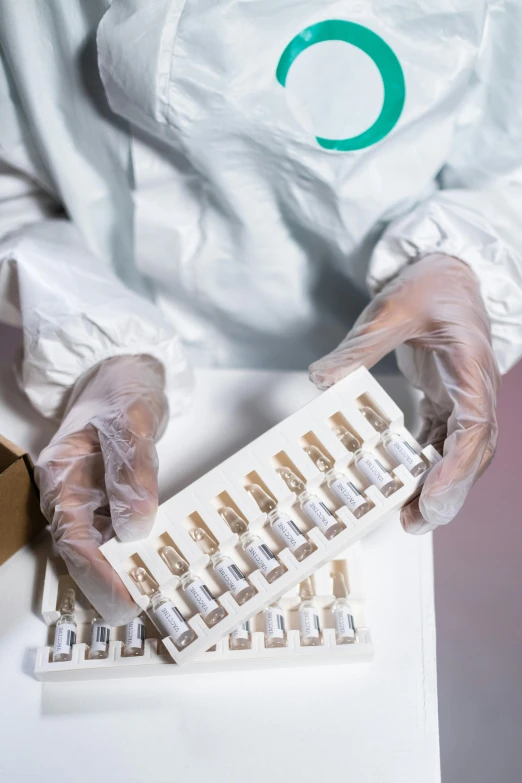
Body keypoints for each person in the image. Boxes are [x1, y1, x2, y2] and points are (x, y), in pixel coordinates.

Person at [0, 1, 519, 625]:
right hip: (108, 335)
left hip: (375, 359)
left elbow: (509, 157)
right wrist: (90, 329)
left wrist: (462, 263)